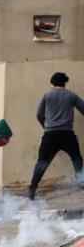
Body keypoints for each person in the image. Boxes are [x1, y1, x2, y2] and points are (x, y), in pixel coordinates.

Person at [28, 72, 84, 200]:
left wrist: (46, 126)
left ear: (52, 83)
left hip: (50, 135)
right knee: (77, 159)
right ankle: (81, 183)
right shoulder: (71, 96)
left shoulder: (47, 96)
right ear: (65, 82)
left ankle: (33, 188)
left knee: (42, 162)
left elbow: (39, 114)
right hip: (67, 134)